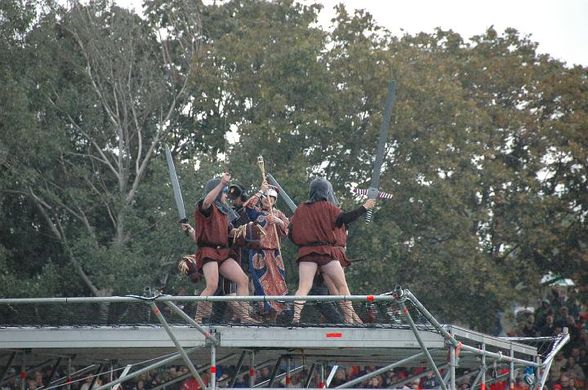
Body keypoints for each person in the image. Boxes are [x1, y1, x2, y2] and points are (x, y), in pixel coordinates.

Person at [289, 177, 375, 324]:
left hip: (307, 254)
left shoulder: (300, 210)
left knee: (303, 287)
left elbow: (291, 233)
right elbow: (345, 218)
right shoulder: (329, 208)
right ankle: (349, 320)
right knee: (342, 287)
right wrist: (364, 207)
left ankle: (296, 317)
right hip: (326, 253)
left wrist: (304, 243)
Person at [186, 173, 257, 324]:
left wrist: (243, 231)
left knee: (243, 280)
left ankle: (244, 317)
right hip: (209, 251)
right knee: (212, 285)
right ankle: (197, 320)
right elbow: (206, 201)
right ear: (217, 192)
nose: (226, 195)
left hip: (223, 252)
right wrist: (221, 184)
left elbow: (230, 231)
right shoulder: (206, 207)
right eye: (224, 192)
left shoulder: (224, 211)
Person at [244, 182, 289, 320]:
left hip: (274, 253)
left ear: (275, 201)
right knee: (260, 282)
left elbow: (287, 230)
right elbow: (247, 206)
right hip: (259, 253)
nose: (267, 200)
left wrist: (279, 222)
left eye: (271, 198)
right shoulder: (256, 212)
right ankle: (262, 310)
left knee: (278, 281)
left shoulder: (279, 214)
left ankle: (276, 312)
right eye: (265, 197)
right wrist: (260, 191)